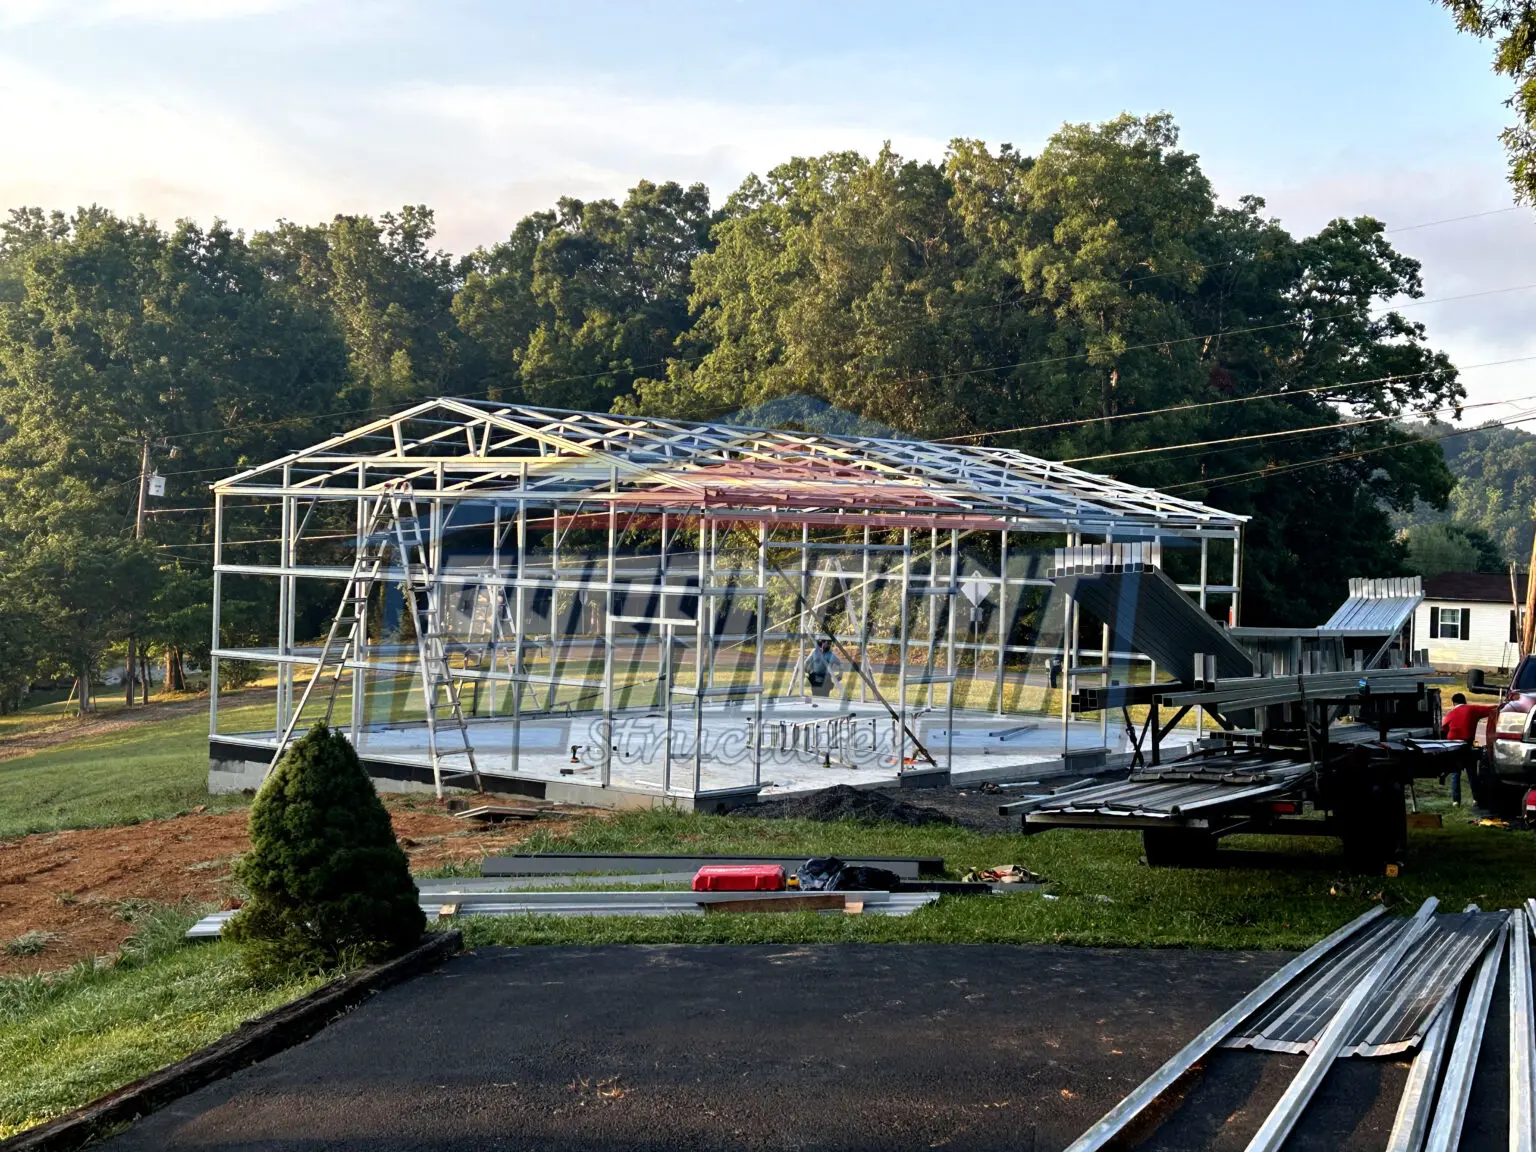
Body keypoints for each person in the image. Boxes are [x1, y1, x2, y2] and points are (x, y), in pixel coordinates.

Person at [1441, 691, 1498, 806]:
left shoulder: (1451, 713)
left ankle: (1456, 801)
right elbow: (1491, 710)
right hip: (1467, 744)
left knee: (1455, 773)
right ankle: (1476, 799)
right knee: (1471, 772)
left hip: (1452, 745)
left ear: (1453, 703)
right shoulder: (1472, 709)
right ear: (1465, 701)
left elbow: (1444, 727)